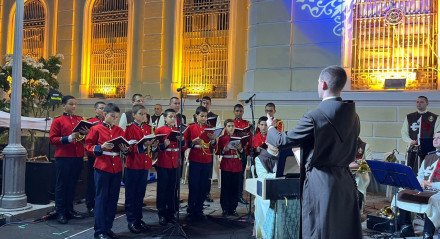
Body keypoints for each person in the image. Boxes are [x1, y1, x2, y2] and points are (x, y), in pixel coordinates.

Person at [266, 65, 362, 239]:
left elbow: (282, 142)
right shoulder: (354, 116)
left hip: (321, 181)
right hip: (345, 180)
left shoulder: (315, 116)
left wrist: (271, 127)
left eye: (318, 83)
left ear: (323, 84)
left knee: (318, 229)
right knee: (342, 229)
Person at [85, 103, 128, 239]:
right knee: (101, 199)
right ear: (105, 115)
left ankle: (108, 228)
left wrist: (126, 149)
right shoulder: (96, 128)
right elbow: (88, 146)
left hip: (116, 167)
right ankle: (99, 231)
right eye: (112, 116)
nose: (114, 119)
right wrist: (100, 147)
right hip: (102, 166)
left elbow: (125, 147)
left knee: (113, 199)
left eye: (116, 117)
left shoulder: (120, 131)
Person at [49, 95, 87, 224]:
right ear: (63, 105)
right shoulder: (58, 120)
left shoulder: (79, 119)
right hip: (63, 157)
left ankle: (70, 209)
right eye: (71, 104)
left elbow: (85, 139)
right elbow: (53, 139)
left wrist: (87, 133)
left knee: (72, 184)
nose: (74, 106)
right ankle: (60, 211)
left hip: (77, 156)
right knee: (61, 185)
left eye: (75, 104)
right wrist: (69, 138)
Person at [397, 131, 440, 239]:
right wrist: (415, 182)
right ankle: (407, 227)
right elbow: (420, 175)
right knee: (402, 193)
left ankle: (428, 232)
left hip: (437, 189)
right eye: (434, 137)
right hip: (424, 187)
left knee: (432, 200)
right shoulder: (428, 157)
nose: (435, 140)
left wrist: (431, 184)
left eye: (439, 138)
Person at [124, 105, 156, 234]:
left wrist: (153, 145)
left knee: (140, 194)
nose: (144, 116)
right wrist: (142, 145)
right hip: (133, 164)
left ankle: (138, 219)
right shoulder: (129, 128)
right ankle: (131, 220)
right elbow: (126, 147)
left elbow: (150, 147)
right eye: (141, 114)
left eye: (145, 114)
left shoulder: (148, 128)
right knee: (131, 194)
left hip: (144, 164)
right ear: (134, 114)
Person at [184, 106, 216, 221]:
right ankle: (191, 210)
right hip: (195, 159)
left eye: (205, 116)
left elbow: (214, 146)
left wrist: (213, 140)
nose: (203, 118)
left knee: (203, 186)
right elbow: (185, 143)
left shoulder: (210, 128)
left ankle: (199, 209)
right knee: (194, 185)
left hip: (206, 159)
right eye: (201, 116)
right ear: (196, 116)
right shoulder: (191, 127)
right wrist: (193, 142)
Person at [155, 109, 184, 225]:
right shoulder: (160, 130)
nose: (173, 119)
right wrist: (163, 145)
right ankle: (161, 213)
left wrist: (182, 141)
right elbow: (154, 149)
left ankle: (171, 213)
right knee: (162, 189)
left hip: (175, 162)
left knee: (173, 189)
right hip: (164, 162)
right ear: (165, 118)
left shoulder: (179, 130)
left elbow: (183, 147)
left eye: (174, 117)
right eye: (170, 116)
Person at [401, 96, 440, 173]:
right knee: (411, 170)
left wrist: (432, 143)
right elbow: (404, 132)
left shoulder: (434, 117)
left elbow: (437, 133)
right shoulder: (409, 117)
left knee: (426, 170)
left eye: (421, 102)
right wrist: (410, 141)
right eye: (417, 102)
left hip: (428, 149)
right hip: (413, 149)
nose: (419, 104)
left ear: (427, 103)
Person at [194, 96, 221, 202]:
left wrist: (213, 137)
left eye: (207, 103)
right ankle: (197, 194)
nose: (205, 104)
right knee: (198, 175)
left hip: (209, 147)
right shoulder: (196, 115)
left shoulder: (215, 116)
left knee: (208, 173)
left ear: (210, 104)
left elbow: (218, 131)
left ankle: (207, 193)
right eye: (203, 103)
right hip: (198, 148)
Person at [216, 119, 244, 216]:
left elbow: (243, 152)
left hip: (237, 165)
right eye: (229, 126)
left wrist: (240, 148)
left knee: (235, 188)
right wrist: (224, 150)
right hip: (226, 164)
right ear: (225, 127)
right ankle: (225, 208)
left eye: (233, 125)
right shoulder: (222, 138)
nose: (231, 128)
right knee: (226, 188)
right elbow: (218, 152)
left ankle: (233, 208)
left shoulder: (239, 138)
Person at [253, 146, 279, 239]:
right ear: (268, 143)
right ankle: (265, 234)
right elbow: (262, 176)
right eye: (274, 143)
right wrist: (278, 174)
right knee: (265, 203)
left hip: (280, 188)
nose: (277, 146)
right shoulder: (260, 158)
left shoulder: (283, 156)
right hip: (266, 190)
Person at [86, 101, 106, 216]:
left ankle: (100, 203)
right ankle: (90, 204)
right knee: (92, 182)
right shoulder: (90, 122)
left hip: (104, 156)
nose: (103, 110)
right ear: (95, 110)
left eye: (104, 108)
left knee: (101, 183)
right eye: (101, 108)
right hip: (93, 155)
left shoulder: (107, 123)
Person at [233, 104, 252, 205]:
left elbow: (250, 138)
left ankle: (239, 195)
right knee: (233, 176)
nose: (239, 113)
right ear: (234, 112)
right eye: (237, 111)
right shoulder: (231, 123)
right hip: (232, 152)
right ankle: (232, 195)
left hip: (242, 151)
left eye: (240, 111)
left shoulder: (247, 124)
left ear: (243, 112)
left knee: (241, 175)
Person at [349, 137, 372, 212]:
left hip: (361, 175)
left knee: (359, 184)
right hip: (347, 173)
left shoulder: (365, 146)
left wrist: (356, 164)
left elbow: (369, 162)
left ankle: (358, 211)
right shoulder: (345, 144)